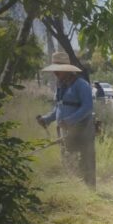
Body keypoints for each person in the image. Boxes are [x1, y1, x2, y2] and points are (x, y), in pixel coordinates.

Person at [36, 52, 96, 189]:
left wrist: (69, 120)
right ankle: (74, 189)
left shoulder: (81, 85)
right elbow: (59, 106)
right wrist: (46, 119)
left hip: (82, 130)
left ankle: (90, 191)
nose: (55, 72)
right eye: (54, 69)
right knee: (68, 160)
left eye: (59, 69)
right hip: (65, 130)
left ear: (67, 70)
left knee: (84, 160)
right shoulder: (60, 85)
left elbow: (88, 107)